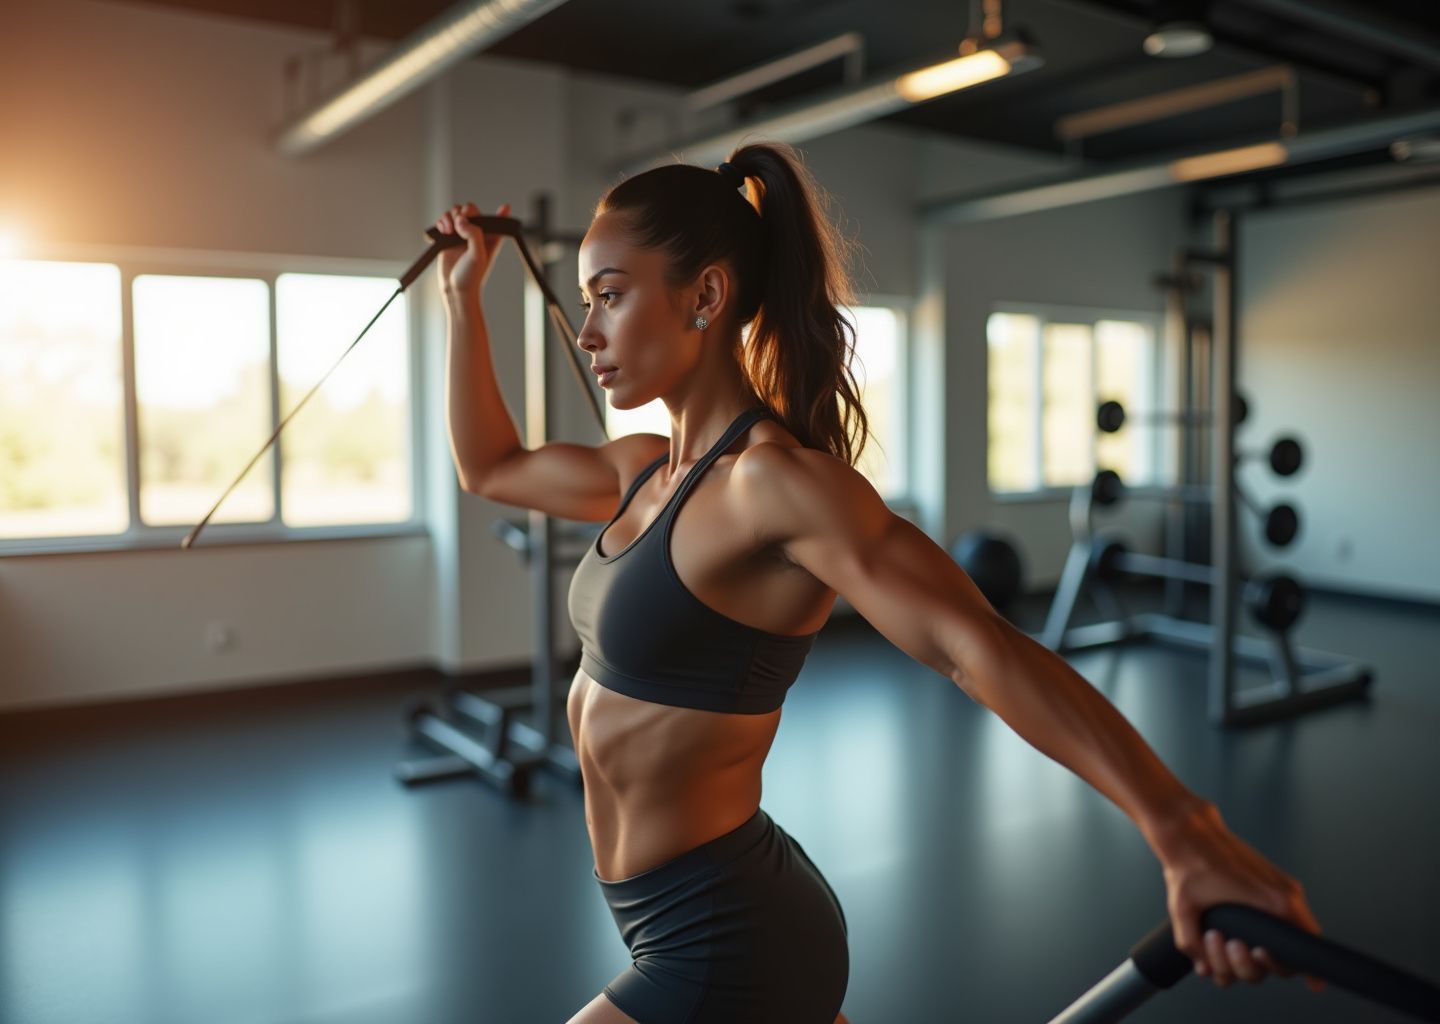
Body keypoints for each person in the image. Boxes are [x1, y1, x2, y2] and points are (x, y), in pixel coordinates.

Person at [432, 141, 1323, 1024]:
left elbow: (975, 646)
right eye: (586, 301)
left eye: (612, 297)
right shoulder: (639, 472)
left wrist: (1184, 832)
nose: (587, 332)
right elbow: (492, 465)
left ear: (705, 295)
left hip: (725, 940)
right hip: (677, 920)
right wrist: (463, 298)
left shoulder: (774, 485)